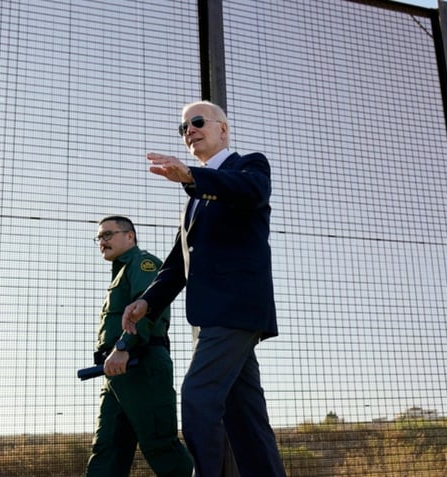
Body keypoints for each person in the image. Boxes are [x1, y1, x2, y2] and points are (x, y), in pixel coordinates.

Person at [120, 100, 286, 477]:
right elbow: (179, 262)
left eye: (196, 122)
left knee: (197, 398)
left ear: (223, 129)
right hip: (215, 316)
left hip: (236, 310)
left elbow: (251, 191)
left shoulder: (249, 166)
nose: (189, 131)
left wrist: (191, 177)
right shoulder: (194, 200)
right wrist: (147, 301)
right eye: (183, 128)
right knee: (246, 418)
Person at [87, 215, 193, 477]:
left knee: (161, 446)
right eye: (99, 237)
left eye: (108, 234)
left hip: (141, 363)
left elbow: (145, 310)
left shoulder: (143, 263)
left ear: (130, 236)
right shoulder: (121, 272)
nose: (102, 241)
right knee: (107, 449)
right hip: (117, 370)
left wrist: (124, 346)